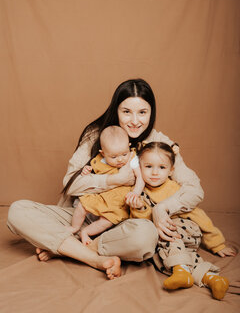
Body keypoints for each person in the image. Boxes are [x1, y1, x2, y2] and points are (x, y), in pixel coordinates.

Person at [7, 78, 205, 280]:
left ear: (151, 112)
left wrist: (162, 209)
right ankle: (95, 258)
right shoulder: (97, 135)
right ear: (116, 110)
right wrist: (115, 180)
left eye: (142, 112)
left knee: (146, 235)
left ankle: (71, 248)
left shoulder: (160, 143)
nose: (135, 121)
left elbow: (194, 189)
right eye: (126, 111)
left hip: (121, 227)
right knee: (18, 211)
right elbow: (70, 184)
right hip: (81, 216)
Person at [127, 141, 236, 299]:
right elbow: (142, 223)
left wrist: (217, 243)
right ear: (139, 167)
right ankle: (212, 279)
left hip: (187, 230)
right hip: (170, 242)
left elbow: (198, 215)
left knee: (165, 233)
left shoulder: (174, 189)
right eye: (148, 166)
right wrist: (138, 208)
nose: (155, 173)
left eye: (162, 167)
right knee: (160, 257)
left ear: (171, 170)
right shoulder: (138, 193)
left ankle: (181, 270)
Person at [68, 125, 144, 245]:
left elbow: (140, 178)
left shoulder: (132, 159)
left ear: (129, 146)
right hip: (100, 195)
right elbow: (89, 179)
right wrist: (86, 171)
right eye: (113, 157)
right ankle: (74, 227)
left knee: (107, 220)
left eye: (124, 154)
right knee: (82, 206)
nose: (120, 160)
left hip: (118, 201)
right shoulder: (99, 160)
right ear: (103, 153)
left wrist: (135, 193)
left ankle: (86, 232)